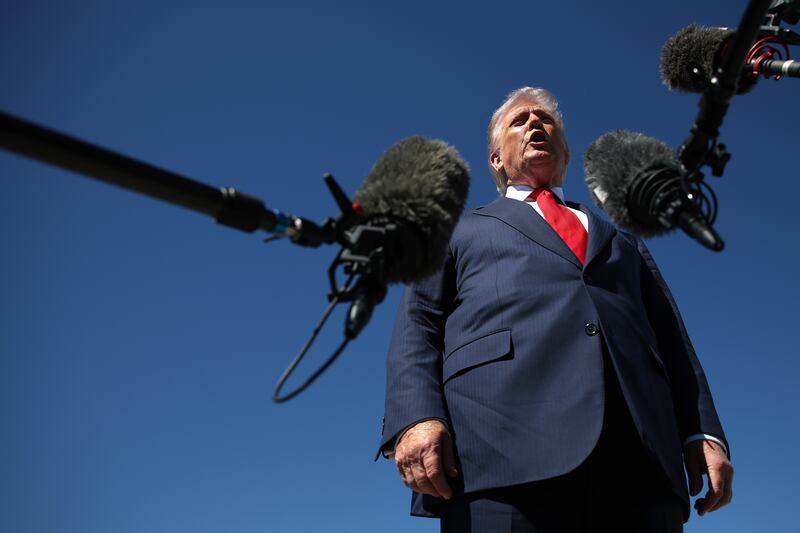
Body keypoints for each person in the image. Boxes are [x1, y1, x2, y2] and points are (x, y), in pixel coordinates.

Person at [376, 87, 733, 532]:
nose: (534, 124)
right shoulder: (456, 227)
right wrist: (416, 418)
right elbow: (418, 324)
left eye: (544, 119)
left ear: (564, 151)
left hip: (639, 463)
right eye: (519, 120)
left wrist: (702, 432)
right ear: (496, 160)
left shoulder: (621, 238)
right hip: (499, 453)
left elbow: (673, 341)